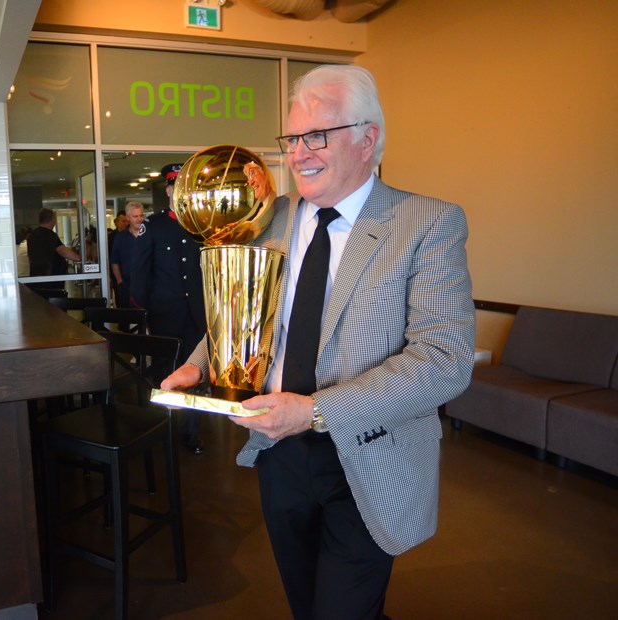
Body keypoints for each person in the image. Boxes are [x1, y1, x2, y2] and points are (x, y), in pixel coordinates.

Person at [161, 64, 475, 618]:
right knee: (306, 604)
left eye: (317, 136)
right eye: (292, 138)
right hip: (278, 453)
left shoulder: (427, 223)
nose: (298, 153)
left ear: (367, 139)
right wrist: (199, 365)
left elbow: (445, 361)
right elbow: (245, 309)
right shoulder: (274, 216)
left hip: (373, 454)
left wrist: (313, 412)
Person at [131, 163, 207, 454]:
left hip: (195, 315)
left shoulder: (201, 225)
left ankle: (190, 432)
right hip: (164, 314)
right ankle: (162, 428)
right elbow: (140, 272)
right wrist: (143, 310)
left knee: (194, 373)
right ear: (168, 190)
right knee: (164, 372)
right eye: (175, 186)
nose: (180, 192)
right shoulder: (154, 226)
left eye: (185, 186)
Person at [27, 207, 80, 290]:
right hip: (51, 280)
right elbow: (63, 251)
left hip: (36, 278)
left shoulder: (32, 235)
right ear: (52, 219)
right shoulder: (50, 235)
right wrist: (80, 258)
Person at [110, 201, 144, 310]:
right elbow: (114, 261)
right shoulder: (120, 238)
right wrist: (119, 281)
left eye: (141, 215)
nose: (139, 219)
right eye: (135, 216)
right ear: (128, 218)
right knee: (127, 319)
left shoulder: (149, 235)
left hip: (147, 285)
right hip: (126, 286)